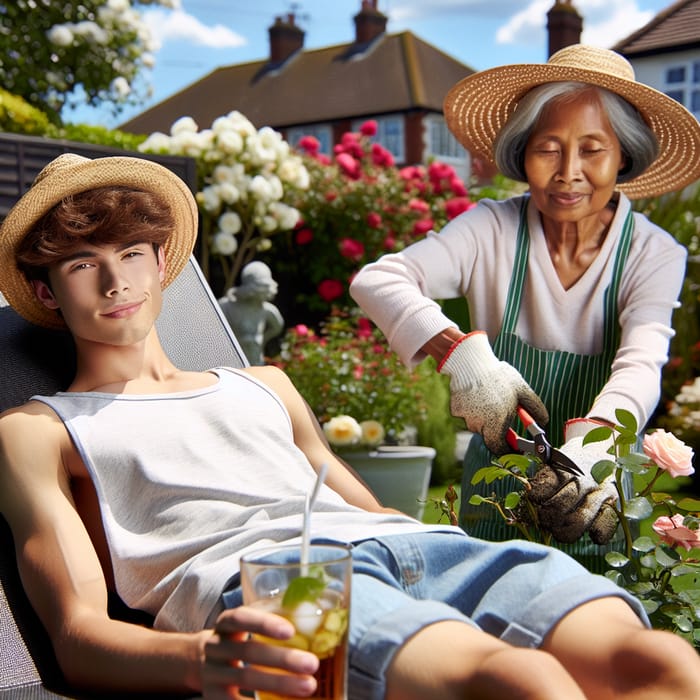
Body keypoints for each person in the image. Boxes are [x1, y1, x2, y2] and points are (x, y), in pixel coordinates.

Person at [0, 153, 699, 700]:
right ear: (45, 291)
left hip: (419, 548)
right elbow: (76, 634)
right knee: (521, 684)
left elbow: (370, 512)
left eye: (129, 256)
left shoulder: (265, 385)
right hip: (288, 586)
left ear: (161, 263)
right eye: (82, 265)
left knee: (663, 663)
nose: (115, 283)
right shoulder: (41, 429)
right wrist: (201, 659)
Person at [350, 44, 700, 559]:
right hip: (495, 488)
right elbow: (378, 280)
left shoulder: (652, 253)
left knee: (592, 624)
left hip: (592, 492)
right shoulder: (491, 228)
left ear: (623, 154)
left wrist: (593, 449)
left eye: (592, 149)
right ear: (522, 151)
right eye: (548, 147)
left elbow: (641, 363)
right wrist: (462, 355)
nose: (568, 172)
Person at [218, 260, 284, 365]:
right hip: (232, 359)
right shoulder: (226, 306)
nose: (264, 295)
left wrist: (262, 339)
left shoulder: (267, 310)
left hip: (255, 358)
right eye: (261, 290)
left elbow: (277, 327)